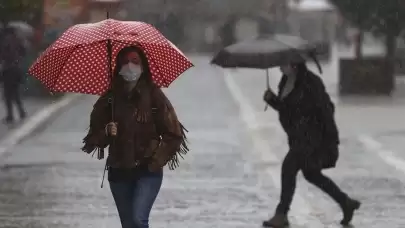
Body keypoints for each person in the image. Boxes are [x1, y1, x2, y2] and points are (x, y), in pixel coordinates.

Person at [81, 46, 188, 228]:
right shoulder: (109, 99)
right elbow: (92, 138)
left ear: (143, 67)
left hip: (147, 173)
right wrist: (106, 132)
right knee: (128, 224)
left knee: (139, 219)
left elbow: (174, 134)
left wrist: (155, 161)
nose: (130, 66)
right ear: (118, 67)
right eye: (125, 62)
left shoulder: (154, 96)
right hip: (119, 172)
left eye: (135, 62)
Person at [262, 62, 360, 227]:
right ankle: (345, 202)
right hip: (298, 136)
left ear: (294, 64)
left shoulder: (310, 82)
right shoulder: (285, 81)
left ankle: (281, 214)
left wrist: (328, 139)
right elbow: (288, 110)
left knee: (288, 167)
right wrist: (272, 101)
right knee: (311, 173)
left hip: (312, 136)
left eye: (284, 63)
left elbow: (320, 109)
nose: (280, 67)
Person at [0, 26, 27, 124]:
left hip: (8, 69)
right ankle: (21, 112)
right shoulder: (19, 41)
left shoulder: (6, 42)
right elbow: (24, 52)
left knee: (7, 94)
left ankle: (10, 115)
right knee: (15, 92)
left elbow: (3, 55)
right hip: (18, 69)